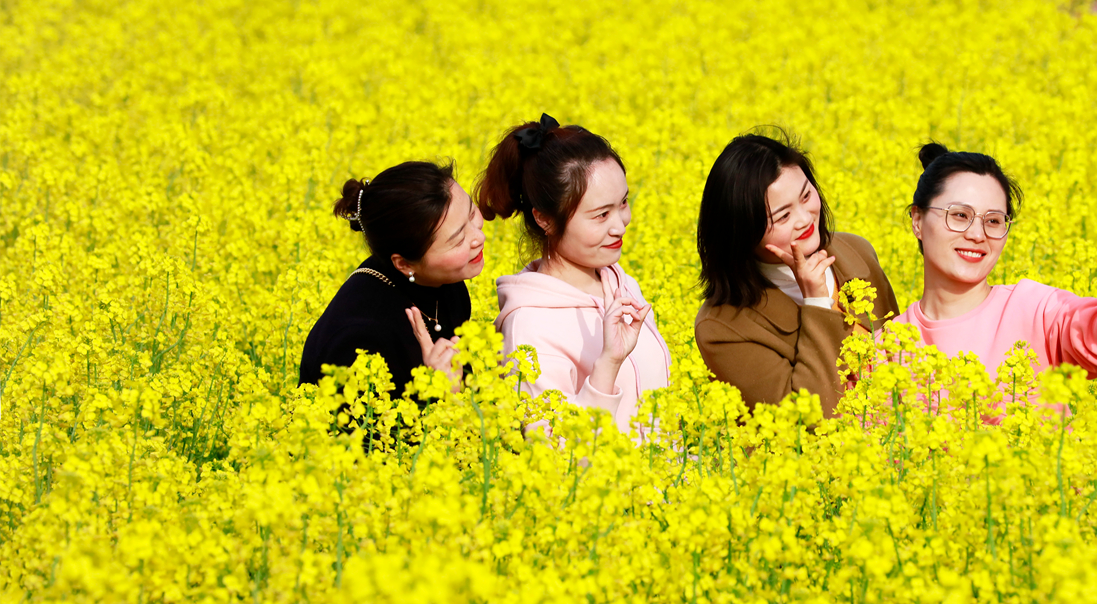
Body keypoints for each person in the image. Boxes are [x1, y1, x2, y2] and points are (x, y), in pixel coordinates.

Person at [897, 142, 1097, 378]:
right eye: (960, 215)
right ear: (917, 220)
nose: (977, 234)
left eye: (994, 221)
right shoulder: (884, 349)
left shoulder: (1035, 311)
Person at [476, 113, 670, 432]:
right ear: (546, 220)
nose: (621, 224)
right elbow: (554, 456)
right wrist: (608, 363)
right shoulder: (530, 327)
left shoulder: (622, 284)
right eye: (601, 215)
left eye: (622, 203)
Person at [694, 129, 898, 416]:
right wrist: (816, 303)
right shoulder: (723, 327)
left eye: (806, 196)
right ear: (742, 232)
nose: (805, 219)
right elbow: (810, 418)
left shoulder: (857, 252)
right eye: (783, 216)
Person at [300, 160, 485, 397]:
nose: (478, 236)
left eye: (471, 213)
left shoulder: (443, 282)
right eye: (458, 239)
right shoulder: (359, 342)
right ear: (405, 264)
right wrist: (438, 393)